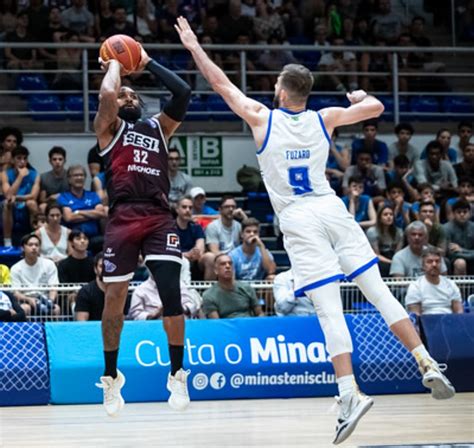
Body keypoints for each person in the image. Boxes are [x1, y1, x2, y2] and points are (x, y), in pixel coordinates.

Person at [176, 16, 455, 444]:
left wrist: (195, 47)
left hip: (300, 219)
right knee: (378, 292)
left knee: (329, 310)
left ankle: (349, 393)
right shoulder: (325, 117)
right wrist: (361, 95)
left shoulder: (262, 118)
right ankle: (425, 359)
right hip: (333, 209)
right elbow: (377, 108)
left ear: (282, 91)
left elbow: (220, 85)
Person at [93, 43, 191, 416]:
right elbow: (106, 93)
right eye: (124, 95)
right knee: (115, 296)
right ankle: (110, 376)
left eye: (134, 94)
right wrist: (116, 66)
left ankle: (178, 373)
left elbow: (182, 92)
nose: (129, 97)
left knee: (171, 294)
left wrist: (146, 61)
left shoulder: (158, 128)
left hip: (158, 215)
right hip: (122, 217)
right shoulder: (108, 129)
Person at [57, 165, 107, 253]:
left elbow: (102, 213)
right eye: (76, 175)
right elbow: (69, 218)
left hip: (94, 238)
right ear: (69, 179)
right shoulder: (64, 197)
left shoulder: (93, 195)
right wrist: (92, 215)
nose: (79, 177)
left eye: (82, 175)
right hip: (73, 238)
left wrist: (78, 212)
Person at [10, 233, 60, 317]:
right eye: (30, 245)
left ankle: (53, 330)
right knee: (25, 308)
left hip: (45, 299)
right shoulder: (15, 268)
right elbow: (16, 293)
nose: (34, 247)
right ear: (23, 248)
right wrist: (29, 299)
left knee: (56, 309)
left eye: (36, 245)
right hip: (25, 300)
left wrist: (50, 301)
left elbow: (53, 288)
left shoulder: (49, 264)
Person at [202, 254, 265, 319]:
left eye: (230, 263)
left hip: (248, 325)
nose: (228, 266)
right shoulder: (209, 295)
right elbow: (217, 323)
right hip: (227, 328)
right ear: (216, 270)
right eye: (223, 264)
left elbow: (260, 313)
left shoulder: (247, 288)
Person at [405, 247, 464, 316]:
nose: (434, 265)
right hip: (426, 323)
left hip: (448, 322)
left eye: (437, 261)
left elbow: (459, 311)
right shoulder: (416, 286)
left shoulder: (451, 284)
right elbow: (415, 314)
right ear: (423, 266)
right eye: (430, 262)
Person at [1, 145, 40, 246]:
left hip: (26, 205)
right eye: (19, 158)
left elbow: (33, 196)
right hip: (12, 206)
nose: (22, 161)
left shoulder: (34, 174)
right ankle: (8, 242)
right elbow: (8, 195)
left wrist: (17, 197)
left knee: (32, 203)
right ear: (13, 160)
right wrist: (20, 177)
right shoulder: (4, 174)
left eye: (25, 158)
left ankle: (35, 237)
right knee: (7, 203)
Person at [75, 252, 130, 320]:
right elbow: (82, 324)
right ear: (95, 269)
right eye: (101, 266)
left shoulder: (121, 292)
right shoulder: (85, 292)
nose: (105, 270)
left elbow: (122, 321)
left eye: (109, 266)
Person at [175, 195, 215, 280]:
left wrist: (195, 253)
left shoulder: (196, 227)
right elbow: (166, 251)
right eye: (184, 207)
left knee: (210, 257)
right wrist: (185, 254)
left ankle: (206, 292)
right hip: (176, 259)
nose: (188, 210)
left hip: (195, 260)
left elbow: (200, 247)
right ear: (177, 209)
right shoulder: (169, 227)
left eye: (190, 208)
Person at [128, 274, 202, 320]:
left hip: (179, 325)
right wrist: (154, 314)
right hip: (152, 328)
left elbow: (193, 306)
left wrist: (181, 308)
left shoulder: (179, 284)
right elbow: (135, 316)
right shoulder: (140, 290)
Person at [366, 205, 403, 277]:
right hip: (378, 260)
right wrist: (392, 262)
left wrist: (395, 262)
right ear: (380, 218)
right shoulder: (372, 232)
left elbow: (398, 254)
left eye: (391, 214)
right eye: (385, 214)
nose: (389, 217)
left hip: (392, 257)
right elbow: (376, 255)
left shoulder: (399, 232)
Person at [443, 200, 474, 275]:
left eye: (465, 212)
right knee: (460, 263)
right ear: (453, 214)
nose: (462, 214)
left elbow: (458, 251)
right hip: (454, 261)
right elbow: (451, 254)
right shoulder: (446, 228)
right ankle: (460, 287)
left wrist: (461, 250)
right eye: (459, 212)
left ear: (470, 213)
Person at [39, 146, 69, 213]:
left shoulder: (70, 176)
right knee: (42, 206)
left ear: (65, 161)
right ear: (50, 161)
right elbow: (42, 199)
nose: (57, 162)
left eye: (60, 159)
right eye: (54, 159)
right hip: (51, 204)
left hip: (67, 202)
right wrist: (50, 198)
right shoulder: (43, 177)